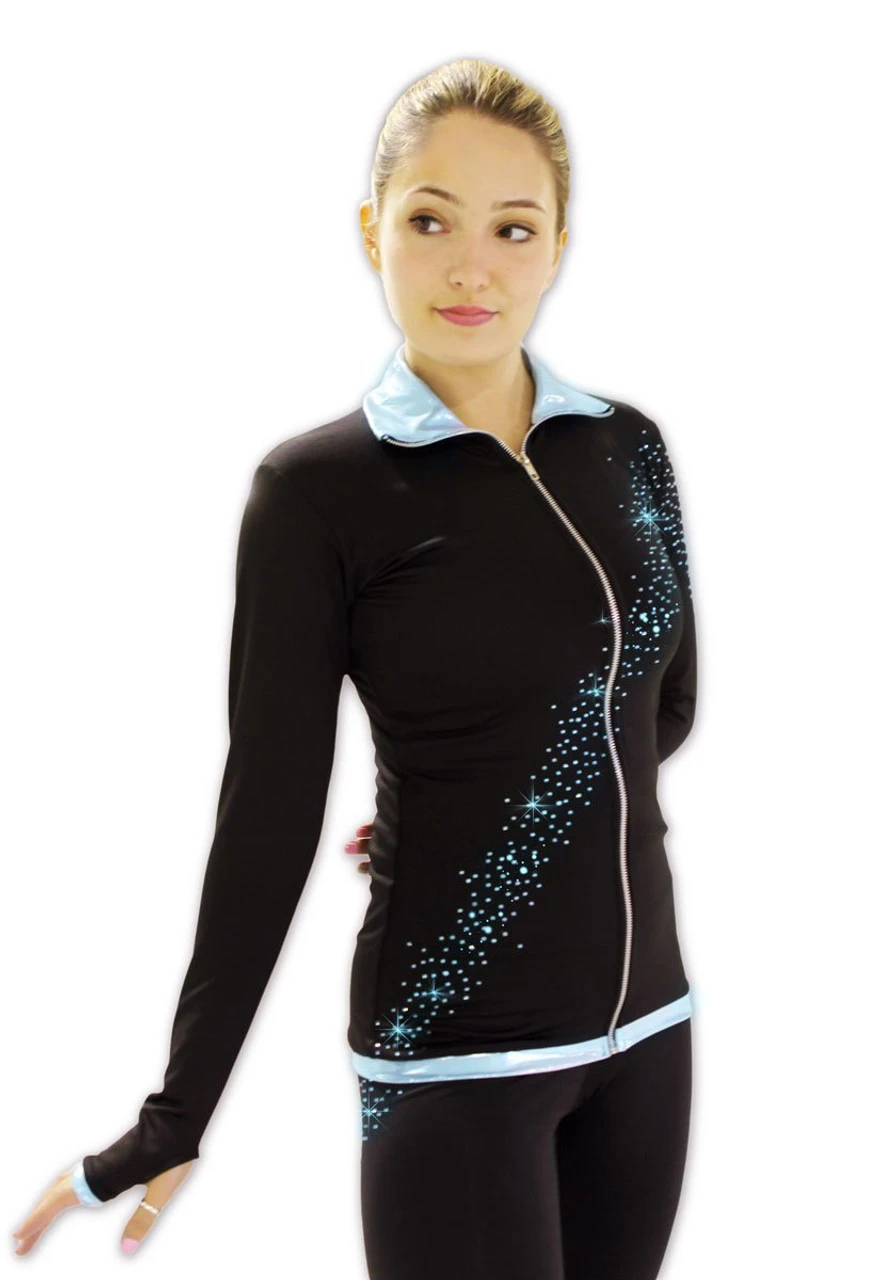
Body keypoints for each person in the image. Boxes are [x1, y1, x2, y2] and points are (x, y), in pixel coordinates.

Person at [12, 58, 699, 1279]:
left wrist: (496, 791)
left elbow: (660, 702)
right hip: (453, 1063)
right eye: (431, 220)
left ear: (559, 245)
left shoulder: (626, 447)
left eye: (513, 228)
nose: (471, 267)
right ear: (372, 228)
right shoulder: (318, 493)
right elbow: (269, 813)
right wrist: (181, 1107)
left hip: (651, 1038)